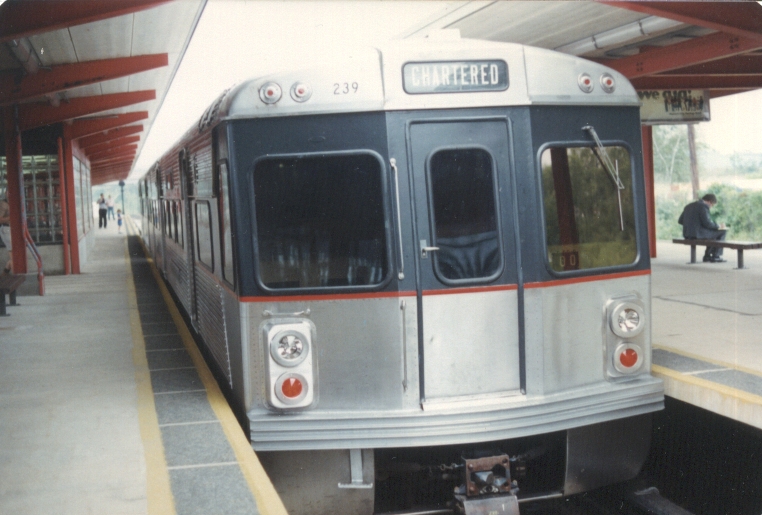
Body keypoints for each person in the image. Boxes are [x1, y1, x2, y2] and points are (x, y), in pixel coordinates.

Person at [678, 193, 727, 263]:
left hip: (687, 234)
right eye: (712, 205)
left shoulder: (688, 206)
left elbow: (680, 221)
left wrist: (691, 225)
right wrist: (719, 226)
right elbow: (707, 223)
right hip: (697, 234)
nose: (711, 207)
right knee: (722, 231)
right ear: (710, 202)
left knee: (712, 234)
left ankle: (707, 256)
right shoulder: (703, 206)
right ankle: (716, 256)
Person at [0, 196, 12, 274]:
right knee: (14, 255)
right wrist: (12, 218)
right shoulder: (4, 204)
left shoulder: (8, 204)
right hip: (6, 229)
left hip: (9, 229)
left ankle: (5, 273)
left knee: (14, 256)